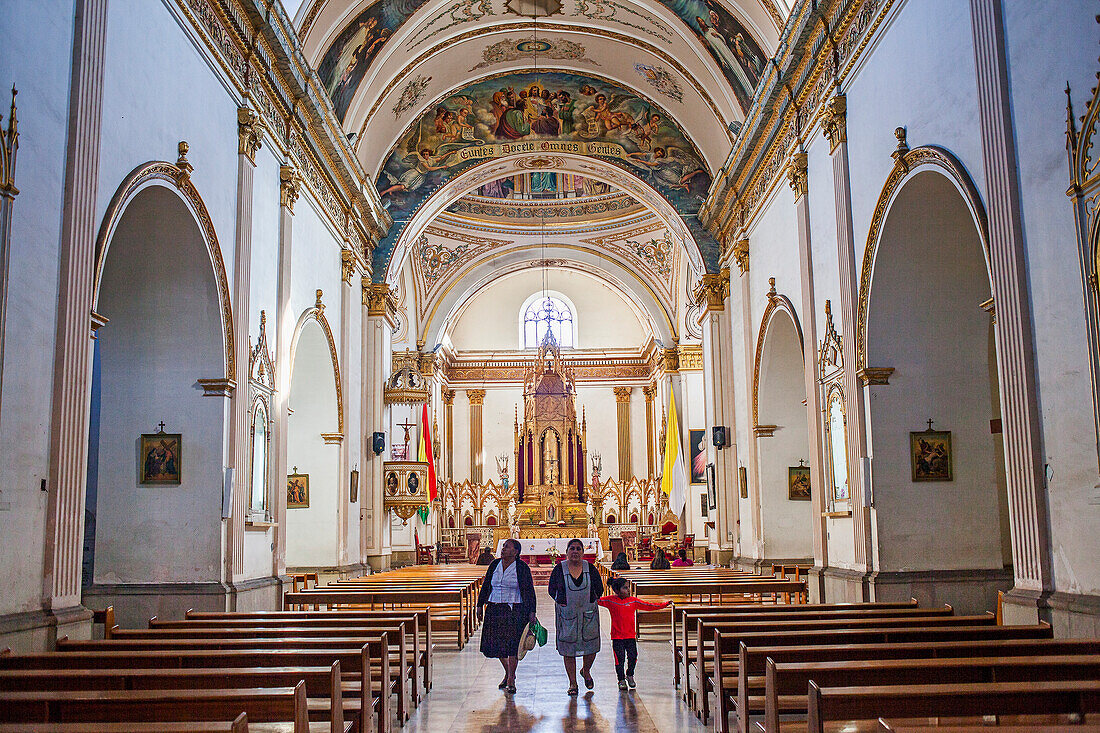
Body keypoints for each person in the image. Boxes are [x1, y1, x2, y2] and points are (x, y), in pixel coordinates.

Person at [476, 538, 537, 695]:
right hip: (495, 607)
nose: (503, 549)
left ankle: (510, 680)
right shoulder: (494, 565)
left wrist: (532, 611)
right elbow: (486, 585)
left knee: (512, 645)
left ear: (515, 552)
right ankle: (510, 672)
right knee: (496, 644)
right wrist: (479, 605)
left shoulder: (521, 567)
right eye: (503, 546)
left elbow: (529, 590)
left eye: (507, 547)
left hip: (514, 609)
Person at [548, 537, 604, 695]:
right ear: (566, 552)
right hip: (567, 615)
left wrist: (591, 602)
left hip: (588, 613)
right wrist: (563, 603)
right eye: (572, 548)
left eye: (578, 549)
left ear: (583, 552)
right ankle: (572, 683)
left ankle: (586, 671)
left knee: (591, 646)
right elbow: (552, 589)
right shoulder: (559, 569)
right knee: (568, 648)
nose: (575, 552)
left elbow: (599, 588)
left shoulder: (590, 568)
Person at [598, 578, 671, 689]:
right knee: (619, 659)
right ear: (617, 590)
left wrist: (665, 604)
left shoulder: (633, 601)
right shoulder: (610, 600)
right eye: (625, 588)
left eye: (628, 587)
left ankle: (630, 674)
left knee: (633, 657)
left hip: (630, 636)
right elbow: (596, 601)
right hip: (617, 637)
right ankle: (621, 679)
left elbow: (649, 606)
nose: (628, 590)